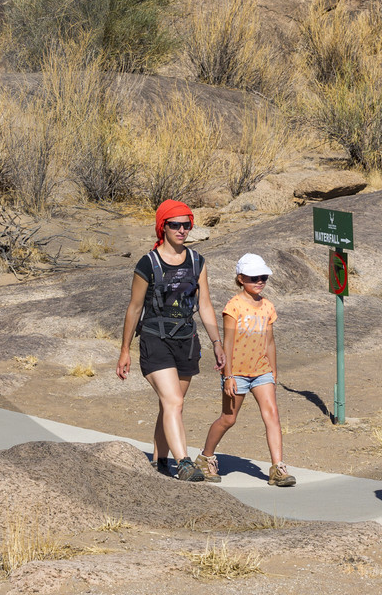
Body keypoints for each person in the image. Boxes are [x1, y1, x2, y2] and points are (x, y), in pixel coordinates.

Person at [116, 199, 223, 482]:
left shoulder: (197, 261)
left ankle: (159, 459)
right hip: (155, 339)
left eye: (186, 225)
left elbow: (206, 305)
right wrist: (125, 350)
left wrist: (217, 342)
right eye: (175, 224)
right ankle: (183, 462)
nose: (182, 230)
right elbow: (134, 308)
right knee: (174, 401)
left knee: (170, 404)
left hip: (186, 341)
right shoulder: (148, 263)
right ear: (163, 227)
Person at [198, 253, 297, 488]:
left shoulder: (268, 307)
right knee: (228, 419)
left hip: (262, 371)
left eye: (263, 277)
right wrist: (228, 376)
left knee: (272, 415)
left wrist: (273, 372)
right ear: (241, 278)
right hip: (237, 372)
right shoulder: (234, 306)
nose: (260, 281)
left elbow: (270, 342)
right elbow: (228, 344)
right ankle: (206, 457)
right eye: (254, 277)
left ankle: (278, 468)